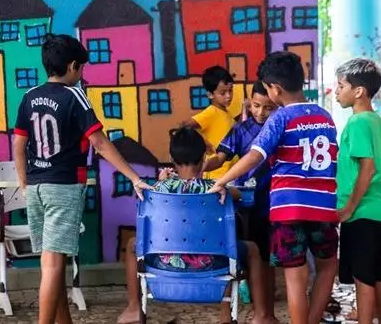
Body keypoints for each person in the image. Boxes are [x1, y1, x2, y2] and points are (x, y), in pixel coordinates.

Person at [14, 34, 152, 324]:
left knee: (53, 262)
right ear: (73, 66)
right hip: (63, 187)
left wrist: (24, 183)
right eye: (82, 69)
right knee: (53, 265)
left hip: (36, 187)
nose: (82, 75)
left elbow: (18, 143)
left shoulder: (29, 97)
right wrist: (134, 177)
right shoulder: (74, 96)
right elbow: (100, 143)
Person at [209, 52, 338, 324]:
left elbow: (255, 155)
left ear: (275, 89)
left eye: (267, 89)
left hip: (288, 209)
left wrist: (221, 180)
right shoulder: (325, 116)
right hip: (324, 208)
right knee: (327, 266)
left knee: (295, 276)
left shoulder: (279, 119)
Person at [116, 127, 275, 324]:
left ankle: (134, 308)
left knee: (133, 243)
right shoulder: (217, 189)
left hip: (164, 263)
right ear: (203, 159)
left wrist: (161, 182)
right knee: (249, 248)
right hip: (213, 263)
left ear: (172, 160)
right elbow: (243, 196)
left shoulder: (157, 190)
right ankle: (260, 316)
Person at [202, 81, 278, 318]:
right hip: (247, 203)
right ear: (249, 102)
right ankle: (253, 311)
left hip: (274, 202)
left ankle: (266, 312)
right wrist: (201, 165)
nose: (261, 113)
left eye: (268, 108)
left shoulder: (280, 128)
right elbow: (221, 157)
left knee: (268, 260)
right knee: (246, 255)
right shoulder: (241, 130)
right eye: (256, 106)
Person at [333, 58, 381, 324]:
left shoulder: (357, 123)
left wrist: (349, 207)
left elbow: (367, 168)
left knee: (363, 276)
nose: (336, 91)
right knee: (378, 272)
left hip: (362, 211)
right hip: (379, 208)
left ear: (358, 91)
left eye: (341, 85)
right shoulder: (377, 122)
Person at [180, 66, 236, 178]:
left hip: (228, 174)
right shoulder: (211, 112)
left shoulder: (226, 114)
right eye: (223, 93)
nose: (228, 96)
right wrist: (205, 145)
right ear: (210, 94)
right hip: (217, 175)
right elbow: (184, 126)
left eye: (230, 90)